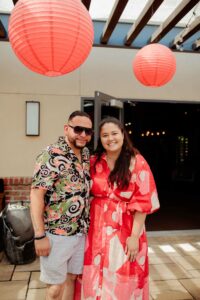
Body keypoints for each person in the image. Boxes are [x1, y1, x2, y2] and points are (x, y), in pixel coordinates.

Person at [81, 117, 160, 300]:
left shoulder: (137, 162)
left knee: (123, 273)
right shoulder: (94, 161)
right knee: (95, 271)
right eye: (105, 135)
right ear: (100, 139)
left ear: (123, 135)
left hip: (126, 228)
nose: (110, 139)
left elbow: (143, 203)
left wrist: (134, 237)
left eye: (114, 133)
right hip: (96, 228)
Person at [30, 111, 93, 300]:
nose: (83, 134)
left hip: (80, 232)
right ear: (67, 129)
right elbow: (36, 194)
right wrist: (39, 235)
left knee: (72, 278)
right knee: (55, 288)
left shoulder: (86, 154)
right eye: (78, 129)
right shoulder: (51, 154)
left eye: (88, 131)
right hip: (56, 234)